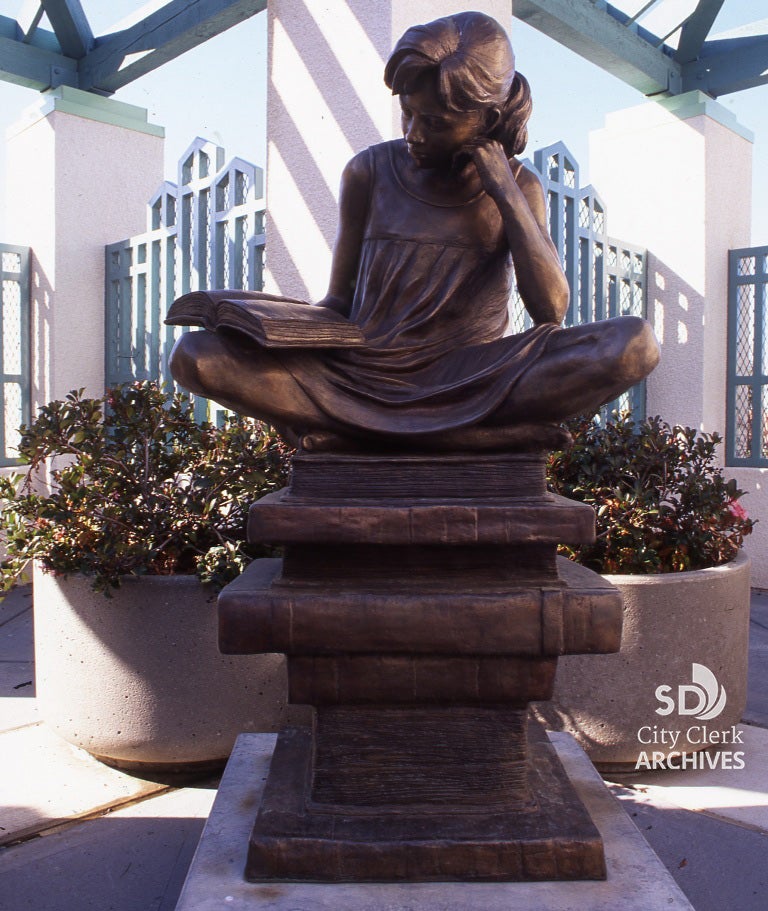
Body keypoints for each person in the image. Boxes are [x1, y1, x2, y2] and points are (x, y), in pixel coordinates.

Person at [169, 11, 659, 451]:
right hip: (360, 371)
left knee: (634, 343)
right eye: (407, 112)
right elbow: (337, 302)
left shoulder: (520, 186)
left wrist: (504, 192)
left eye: (435, 122)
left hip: (471, 376)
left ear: (487, 118)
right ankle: (476, 435)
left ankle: (361, 432)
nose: (413, 134)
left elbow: (550, 311)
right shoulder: (368, 171)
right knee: (196, 356)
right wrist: (270, 327)